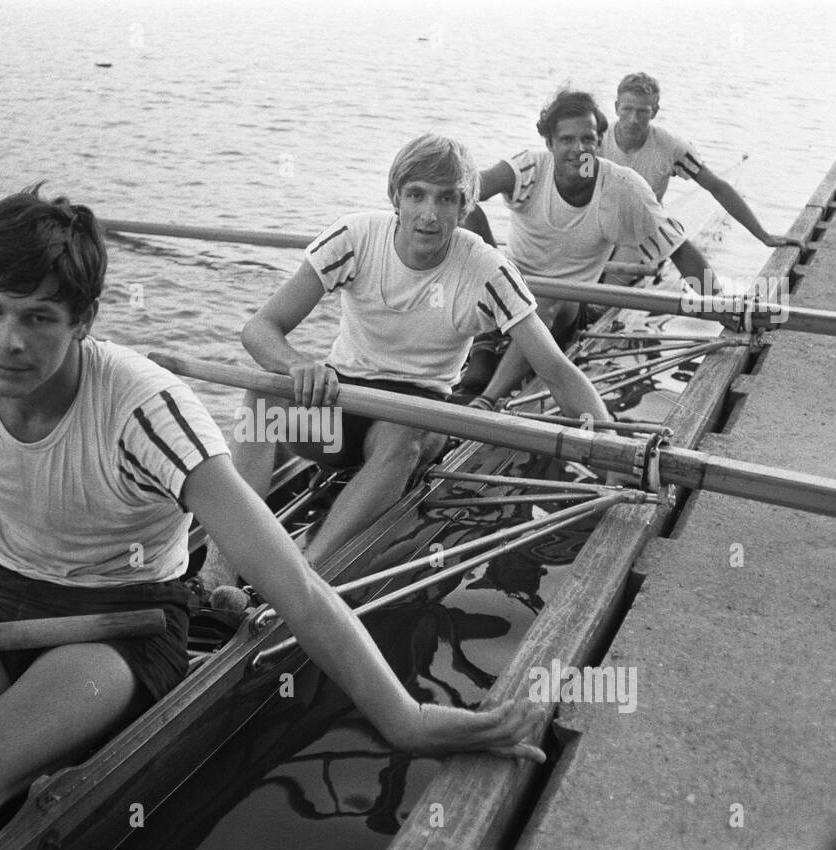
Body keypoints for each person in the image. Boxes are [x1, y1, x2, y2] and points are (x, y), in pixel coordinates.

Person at [0, 185, 547, 850]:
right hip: (8, 596)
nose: (7, 340)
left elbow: (299, 591)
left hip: (124, 623)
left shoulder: (147, 410)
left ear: (85, 320)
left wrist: (405, 719)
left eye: (40, 318)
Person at [197, 134, 614, 603]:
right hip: (340, 409)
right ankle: (218, 574)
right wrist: (296, 365)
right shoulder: (354, 237)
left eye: (447, 199)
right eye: (416, 195)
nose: (430, 215)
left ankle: (299, 582)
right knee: (264, 393)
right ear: (395, 197)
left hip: (417, 415)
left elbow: (555, 371)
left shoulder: (486, 269)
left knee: (400, 434)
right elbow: (260, 329)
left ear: (465, 206)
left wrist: (611, 448)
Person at [459, 89, 712, 403]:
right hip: (505, 292)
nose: (579, 149)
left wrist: (719, 305)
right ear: (550, 143)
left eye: (588, 140)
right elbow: (462, 192)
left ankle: (487, 401)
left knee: (546, 302)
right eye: (567, 140)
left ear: (599, 142)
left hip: (563, 304)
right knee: (463, 209)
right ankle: (483, 352)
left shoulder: (623, 187)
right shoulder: (528, 169)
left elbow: (680, 250)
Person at [602, 72, 806, 273]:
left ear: (654, 111)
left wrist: (764, 236)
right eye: (627, 109)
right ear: (616, 107)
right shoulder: (595, 143)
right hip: (599, 222)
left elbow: (718, 188)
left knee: (602, 296)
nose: (633, 119)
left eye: (642, 111)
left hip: (641, 229)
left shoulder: (671, 148)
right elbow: (578, 186)